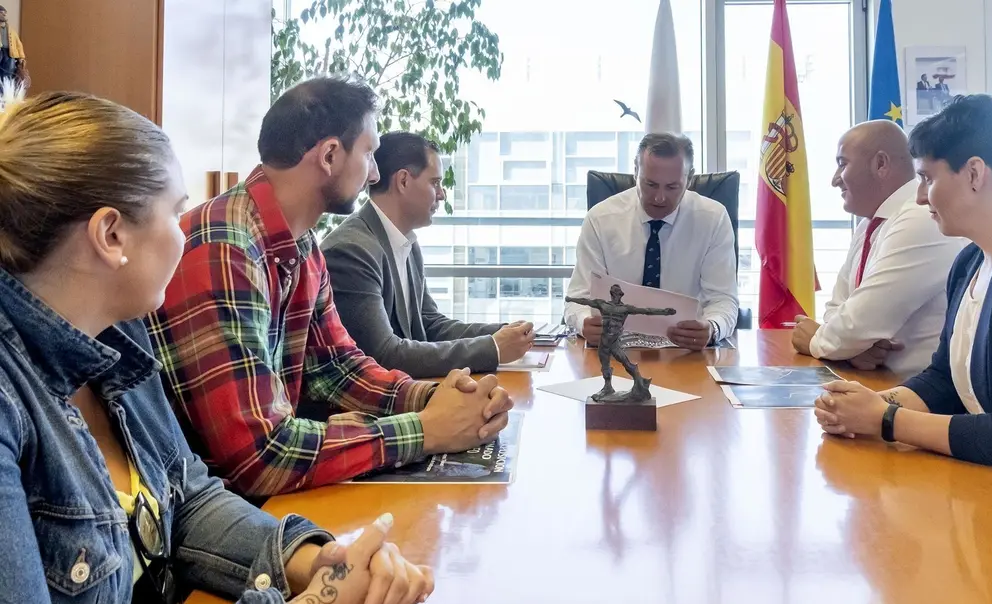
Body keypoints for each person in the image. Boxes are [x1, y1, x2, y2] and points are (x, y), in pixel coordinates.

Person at [0, 88, 434, 604]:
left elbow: (191, 498)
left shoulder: (117, 337)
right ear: (110, 234)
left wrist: (315, 561)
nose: (188, 231)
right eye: (174, 214)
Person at [147, 78, 513, 499]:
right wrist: (425, 430)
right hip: (210, 515)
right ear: (330, 155)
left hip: (261, 502)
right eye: (370, 152)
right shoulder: (226, 248)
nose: (375, 172)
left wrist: (437, 397)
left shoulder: (301, 245)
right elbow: (261, 458)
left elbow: (340, 367)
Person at [815, 95, 992, 488]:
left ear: (974, 174)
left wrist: (886, 420)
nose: (920, 197)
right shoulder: (970, 261)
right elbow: (943, 381)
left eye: (927, 178)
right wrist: (867, 405)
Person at [322, 131, 535, 378]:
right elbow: (383, 355)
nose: (442, 194)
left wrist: (504, 333)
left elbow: (430, 323)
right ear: (403, 181)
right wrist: (494, 347)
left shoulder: (405, 241)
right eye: (435, 183)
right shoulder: (352, 251)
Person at [791, 120, 966, 379]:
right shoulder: (869, 224)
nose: (834, 180)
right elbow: (838, 309)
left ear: (881, 164)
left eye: (842, 163)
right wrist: (850, 347)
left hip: (922, 397)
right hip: (877, 384)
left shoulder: (920, 217)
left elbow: (858, 324)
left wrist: (818, 340)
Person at [564, 132, 739, 351]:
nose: (659, 198)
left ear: (690, 179)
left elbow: (723, 300)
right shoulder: (600, 219)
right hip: (614, 350)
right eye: (650, 184)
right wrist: (584, 323)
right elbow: (576, 299)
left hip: (685, 353)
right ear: (636, 172)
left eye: (672, 187)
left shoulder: (713, 218)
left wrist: (712, 328)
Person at [0, 5, 25, 85]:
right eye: (1, 13)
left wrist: (21, 57)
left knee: (8, 73)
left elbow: (18, 44)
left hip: (10, 53)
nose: (4, 15)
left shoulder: (11, 30)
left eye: (4, 13)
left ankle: (4, 93)